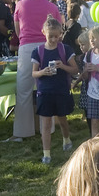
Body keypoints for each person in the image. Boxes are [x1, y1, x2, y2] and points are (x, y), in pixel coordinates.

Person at [8, 0, 62, 142]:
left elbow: (18, 32)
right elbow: (58, 29)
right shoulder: (51, 6)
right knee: (46, 88)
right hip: (47, 47)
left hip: (26, 48)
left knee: (23, 91)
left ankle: (22, 132)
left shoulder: (20, 5)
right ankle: (48, 128)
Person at [31, 15, 77, 165]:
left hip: (61, 90)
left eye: (57, 36)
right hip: (44, 91)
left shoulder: (65, 49)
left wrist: (62, 66)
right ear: (43, 32)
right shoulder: (38, 51)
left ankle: (66, 139)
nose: (54, 39)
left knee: (62, 120)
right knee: (45, 124)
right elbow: (34, 73)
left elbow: (75, 69)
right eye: (51, 36)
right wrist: (43, 72)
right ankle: (46, 154)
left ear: (61, 35)